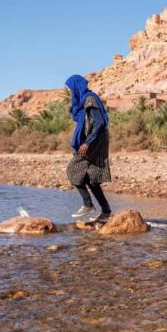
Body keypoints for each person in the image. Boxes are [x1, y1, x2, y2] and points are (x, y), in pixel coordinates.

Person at [64, 74, 111, 222]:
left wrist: (88, 143)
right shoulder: (84, 100)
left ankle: (88, 204)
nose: (70, 92)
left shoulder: (89, 99)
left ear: (77, 86)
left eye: (71, 89)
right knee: (91, 178)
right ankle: (106, 211)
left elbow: (99, 122)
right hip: (93, 139)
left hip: (95, 140)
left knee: (73, 170)